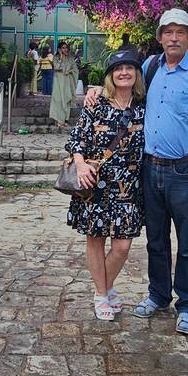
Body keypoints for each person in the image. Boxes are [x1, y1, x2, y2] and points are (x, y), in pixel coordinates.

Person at [83, 8, 188, 335]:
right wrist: (96, 89)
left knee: (186, 243)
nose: (174, 38)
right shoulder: (151, 66)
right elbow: (122, 84)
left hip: (186, 170)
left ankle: (187, 305)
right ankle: (158, 295)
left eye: (180, 32)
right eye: (168, 32)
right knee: (156, 240)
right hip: (149, 168)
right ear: (160, 37)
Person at [64, 48, 147, 321]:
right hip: (95, 184)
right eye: (118, 69)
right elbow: (77, 140)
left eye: (129, 68)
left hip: (129, 187)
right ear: (111, 75)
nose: (124, 73)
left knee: (122, 246)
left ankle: (105, 285)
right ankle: (101, 294)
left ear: (137, 74)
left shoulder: (144, 106)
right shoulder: (96, 104)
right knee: (96, 241)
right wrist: (80, 164)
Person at [50, 42, 79, 126]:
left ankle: (65, 119)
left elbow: (75, 70)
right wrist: (61, 58)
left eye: (66, 47)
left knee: (67, 99)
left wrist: (70, 71)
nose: (65, 49)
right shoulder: (56, 57)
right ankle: (58, 120)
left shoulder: (70, 58)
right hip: (58, 82)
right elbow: (56, 67)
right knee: (58, 100)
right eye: (63, 48)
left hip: (68, 82)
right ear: (59, 49)